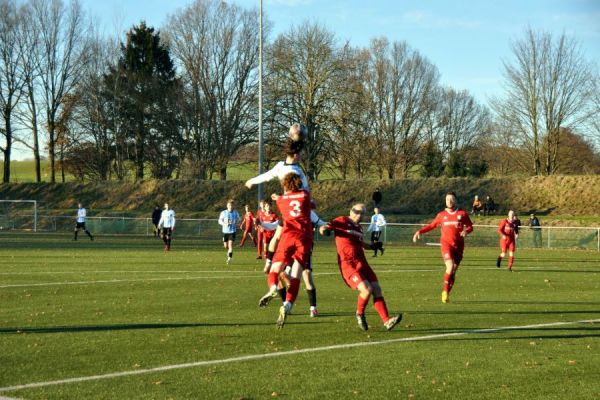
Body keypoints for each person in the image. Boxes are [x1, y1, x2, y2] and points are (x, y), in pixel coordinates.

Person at [319, 203, 402, 332]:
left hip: (362, 262)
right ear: (350, 210)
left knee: (376, 289)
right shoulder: (342, 220)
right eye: (357, 211)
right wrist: (324, 231)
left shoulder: (359, 228)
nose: (359, 215)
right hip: (348, 263)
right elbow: (325, 227)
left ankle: (387, 321)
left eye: (362, 213)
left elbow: (361, 244)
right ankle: (360, 314)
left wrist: (374, 246)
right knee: (366, 289)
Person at [258, 173, 313, 328]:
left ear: (285, 185)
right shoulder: (305, 195)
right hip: (304, 239)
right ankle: (288, 305)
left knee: (275, 269)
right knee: (296, 274)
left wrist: (277, 198)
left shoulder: (281, 201)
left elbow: (284, 201)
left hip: (288, 236)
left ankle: (273, 288)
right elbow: (310, 205)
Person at [412, 192, 474, 304]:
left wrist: (466, 231)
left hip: (459, 246)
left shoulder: (462, 214)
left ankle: (447, 293)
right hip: (446, 244)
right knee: (449, 267)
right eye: (447, 199)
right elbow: (432, 225)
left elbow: (470, 226)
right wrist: (420, 231)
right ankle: (445, 292)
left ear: (455, 200)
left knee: (453, 272)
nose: (449, 201)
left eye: (451, 199)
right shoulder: (441, 215)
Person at [218, 199, 240, 264]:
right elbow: (219, 221)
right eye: (229, 205)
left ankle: (230, 258)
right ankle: (228, 252)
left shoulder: (235, 212)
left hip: (232, 232)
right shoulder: (223, 212)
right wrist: (225, 223)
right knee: (226, 246)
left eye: (231, 205)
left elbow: (239, 219)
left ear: (233, 206)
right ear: (227, 206)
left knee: (230, 245)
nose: (230, 206)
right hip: (225, 231)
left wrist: (236, 222)